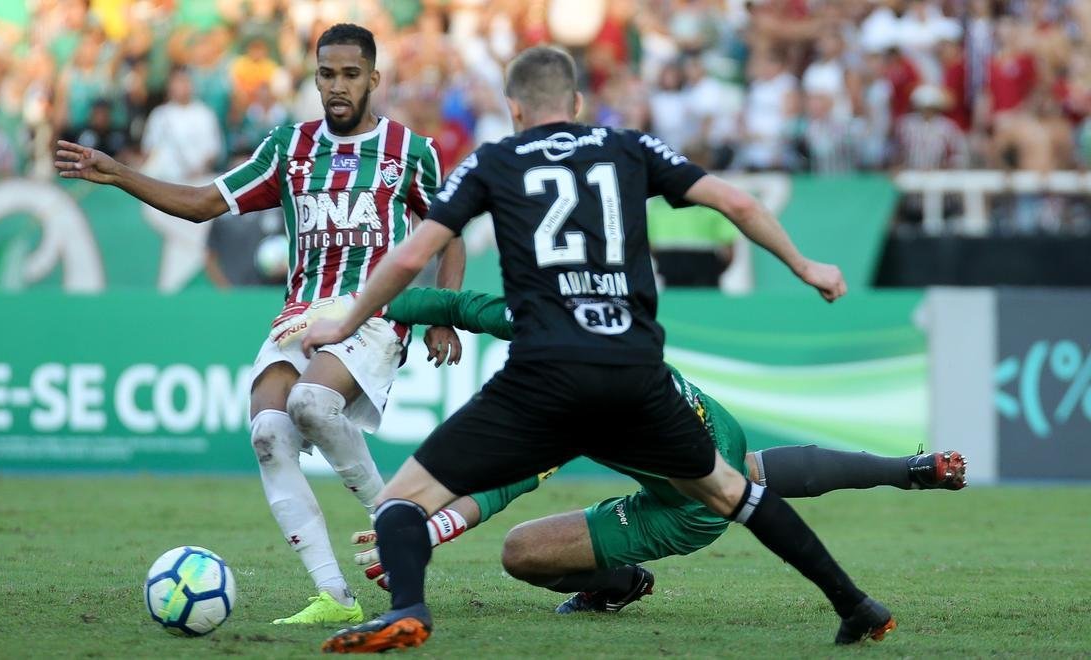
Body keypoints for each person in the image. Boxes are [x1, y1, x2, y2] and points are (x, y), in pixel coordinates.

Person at [302, 46, 891, 653]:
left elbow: (409, 256)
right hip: (633, 374)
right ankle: (857, 605)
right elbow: (737, 201)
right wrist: (805, 264)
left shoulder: (493, 161)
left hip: (543, 376)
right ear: (578, 104)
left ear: (514, 110)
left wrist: (346, 320)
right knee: (733, 491)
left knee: (400, 501)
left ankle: (408, 610)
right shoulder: (630, 147)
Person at [54, 23, 465, 626]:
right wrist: (118, 172)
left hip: (373, 316)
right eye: (327, 74)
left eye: (351, 74)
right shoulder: (288, 149)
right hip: (300, 317)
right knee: (269, 433)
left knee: (312, 404)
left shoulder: (412, 152)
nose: (338, 86)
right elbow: (201, 205)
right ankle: (333, 595)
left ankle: (396, 518)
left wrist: (443, 314)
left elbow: (449, 233)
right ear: (315, 76)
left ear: (374, 79)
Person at [348, 287, 967, 609]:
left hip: (686, 501)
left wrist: (429, 530)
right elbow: (458, 305)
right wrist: (357, 307)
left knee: (521, 554)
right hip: (711, 425)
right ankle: (909, 470)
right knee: (749, 472)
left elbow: (510, 479)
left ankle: (618, 584)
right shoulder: (580, 317)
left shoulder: (572, 387)